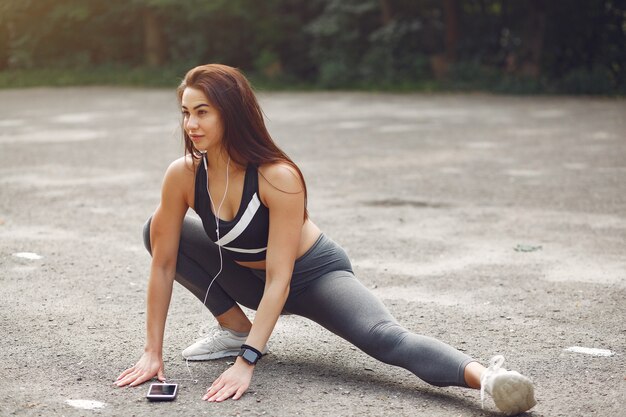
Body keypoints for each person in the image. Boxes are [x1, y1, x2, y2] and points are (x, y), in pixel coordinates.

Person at [115, 64, 536, 415]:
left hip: (312, 275)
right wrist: (153, 352)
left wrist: (248, 363)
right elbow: (165, 263)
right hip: (248, 276)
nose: (191, 124)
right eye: (186, 113)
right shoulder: (183, 174)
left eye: (202, 112)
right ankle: (235, 329)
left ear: (230, 113)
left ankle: (489, 380)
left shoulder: (277, 176)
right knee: (156, 230)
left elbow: (281, 278)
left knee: (384, 338)